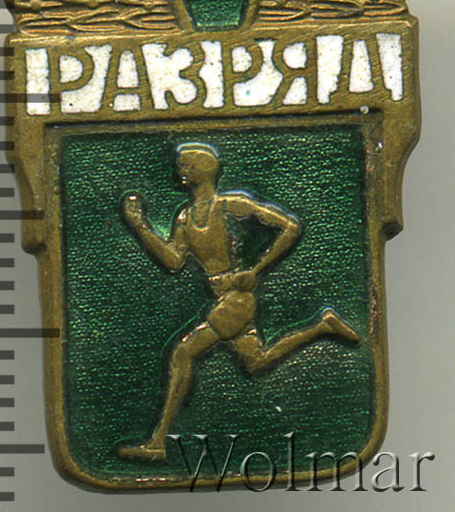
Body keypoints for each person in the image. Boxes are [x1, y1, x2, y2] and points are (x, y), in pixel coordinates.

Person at [118, 143, 359, 461]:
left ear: (203, 171)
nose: (179, 171)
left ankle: (158, 443)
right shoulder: (186, 217)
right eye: (181, 165)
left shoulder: (231, 205)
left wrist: (255, 270)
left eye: (186, 166)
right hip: (224, 298)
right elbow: (173, 260)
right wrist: (140, 226)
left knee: (182, 353)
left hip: (237, 300)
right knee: (256, 362)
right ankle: (322, 327)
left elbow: (290, 227)